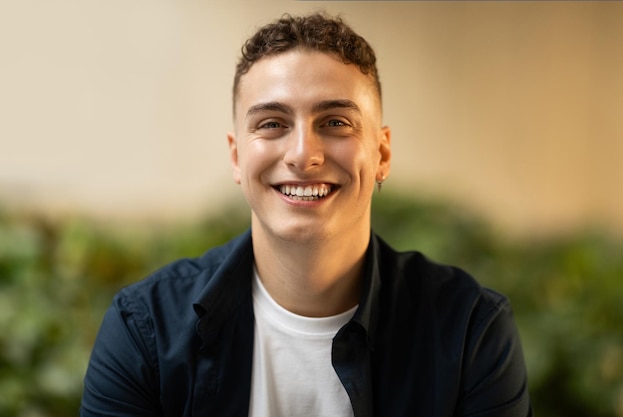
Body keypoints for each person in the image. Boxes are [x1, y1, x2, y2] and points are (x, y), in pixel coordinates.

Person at [80, 12, 532, 417]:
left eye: (335, 122)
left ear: (382, 152)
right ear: (237, 158)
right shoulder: (146, 330)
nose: (302, 155)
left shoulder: (469, 328)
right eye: (272, 124)